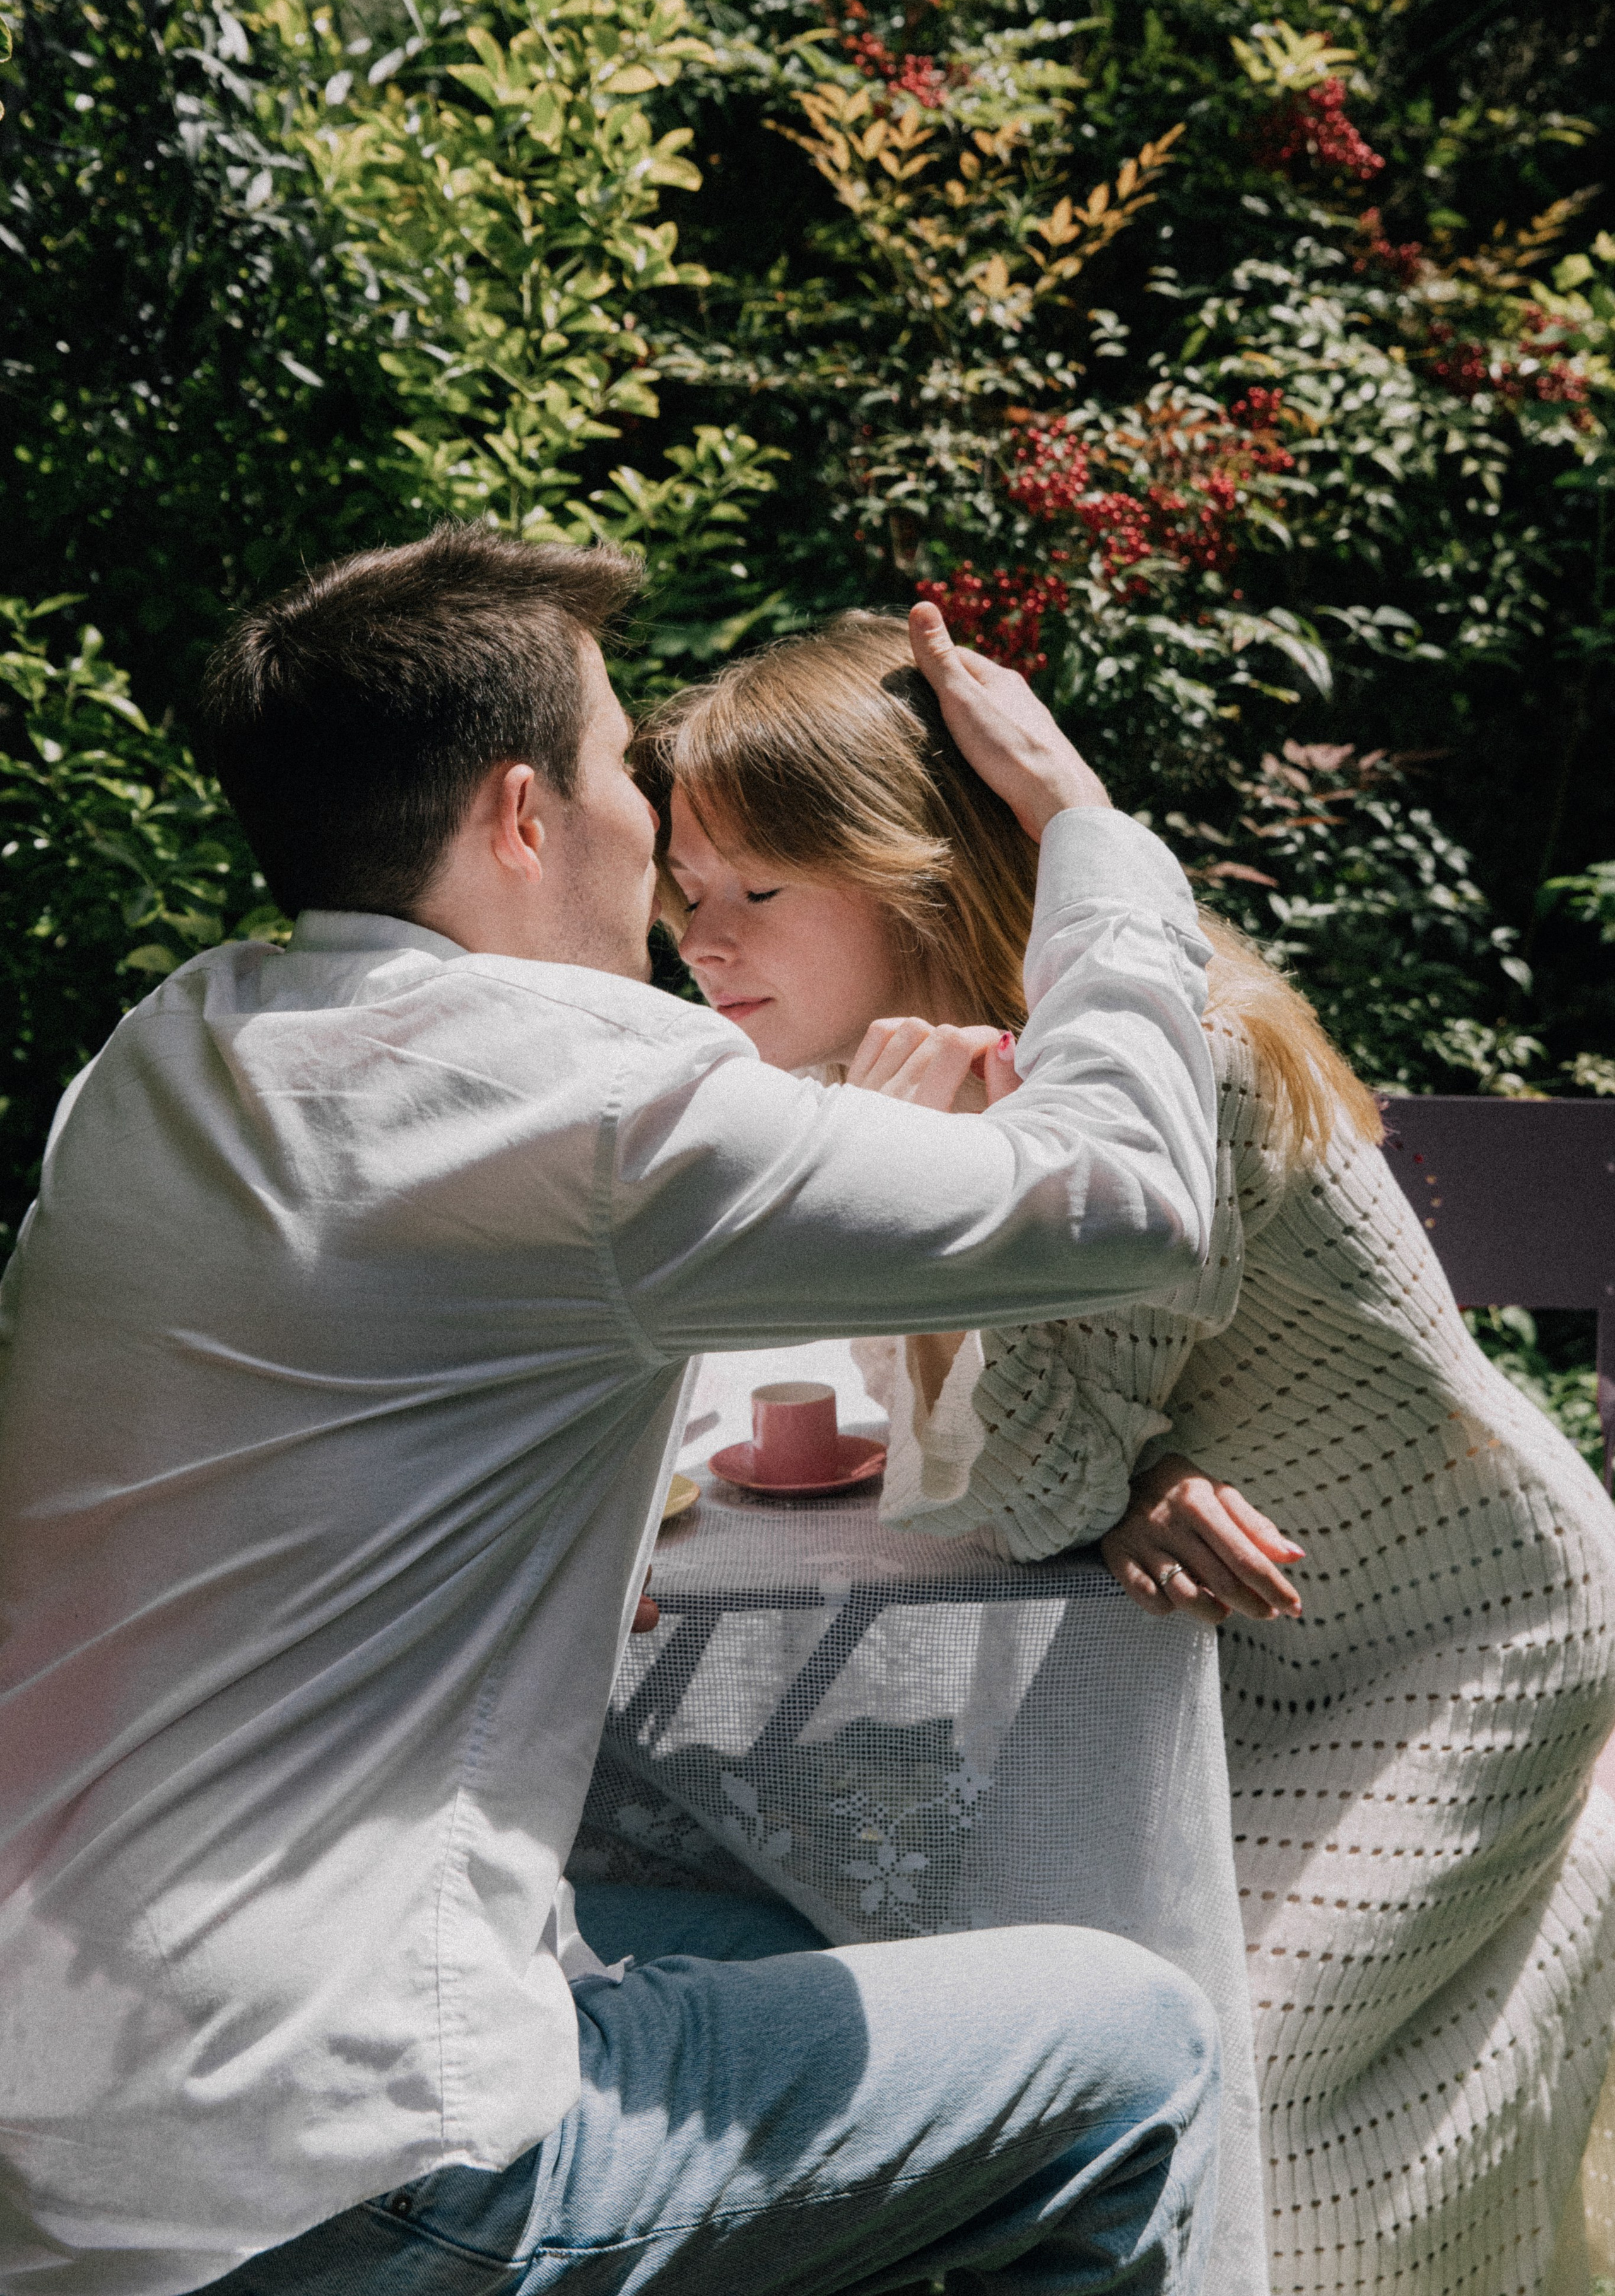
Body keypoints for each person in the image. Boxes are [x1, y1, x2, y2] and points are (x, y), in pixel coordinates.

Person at [0, 529, 1230, 2296]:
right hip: (337, 2173)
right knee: (1135, 2048)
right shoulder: (580, 1093)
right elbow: (1128, 1201)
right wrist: (1090, 835)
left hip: (58, 2129)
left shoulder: (160, 1060)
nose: (648, 844)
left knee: (773, 1931)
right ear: (521, 815)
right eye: (613, 772)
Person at [633, 609, 1615, 2296]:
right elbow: (1060, 1457)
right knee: (1136, 2042)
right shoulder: (978, 1070)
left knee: (1253, 2091)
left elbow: (1021, 1485)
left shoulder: (1172, 1068)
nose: (704, 948)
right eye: (682, 899)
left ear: (918, 872)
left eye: (760, 892)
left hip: (1461, 1635)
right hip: (1245, 1637)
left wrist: (1103, 1480)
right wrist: (1131, 1485)